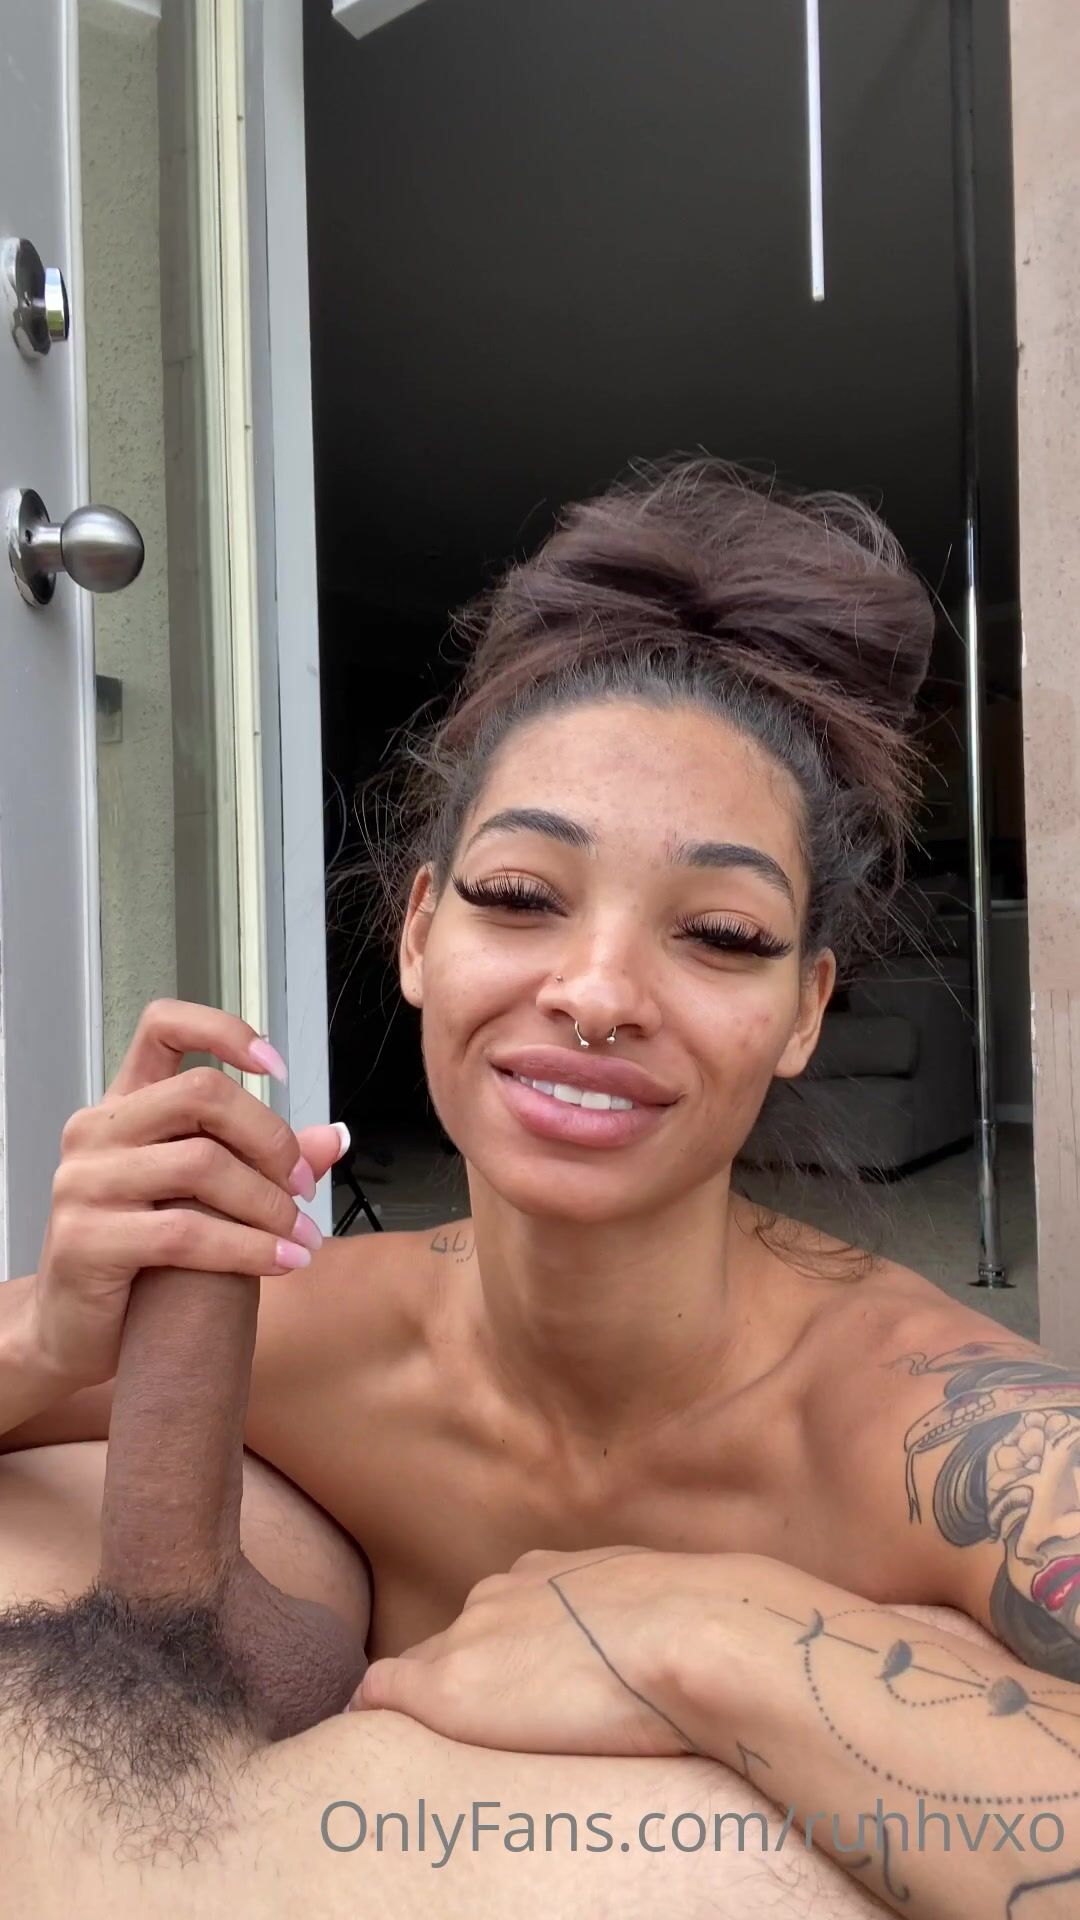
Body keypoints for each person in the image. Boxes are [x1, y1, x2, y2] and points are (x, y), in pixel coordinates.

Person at [1, 459, 1078, 1917]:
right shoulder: (320, 1338)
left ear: (807, 1009)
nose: (597, 992)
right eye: (520, 899)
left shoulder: (945, 1438)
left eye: (718, 933)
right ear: (420, 935)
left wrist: (714, 1637)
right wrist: (50, 1334)